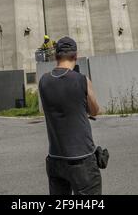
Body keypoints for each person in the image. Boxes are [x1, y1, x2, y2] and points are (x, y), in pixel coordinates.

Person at [39, 36, 102, 195]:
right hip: (82, 158)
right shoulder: (81, 80)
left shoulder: (43, 81)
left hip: (55, 158)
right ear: (75, 56)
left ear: (55, 56)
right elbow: (95, 111)